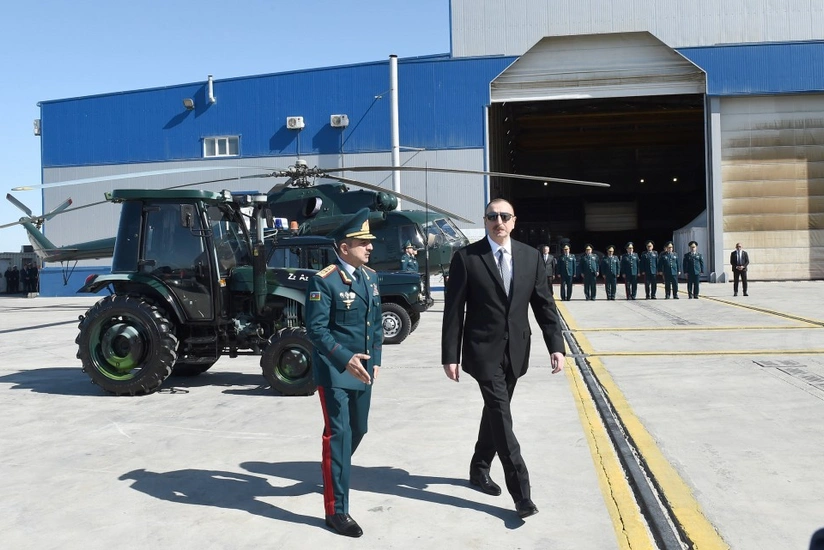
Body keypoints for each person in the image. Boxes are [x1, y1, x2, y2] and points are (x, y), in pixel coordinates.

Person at [441, 198, 565, 520]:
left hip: (517, 351)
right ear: (485, 221)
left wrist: (556, 345)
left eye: (504, 216)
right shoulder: (467, 258)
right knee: (501, 414)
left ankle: (478, 468)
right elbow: (454, 310)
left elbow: (544, 305)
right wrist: (450, 355)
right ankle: (522, 494)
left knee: (496, 413)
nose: (499, 221)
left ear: (513, 221)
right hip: (482, 352)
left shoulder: (530, 256)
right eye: (492, 216)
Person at [304, 208, 383, 538]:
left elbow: (374, 324)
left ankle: (332, 467)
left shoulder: (370, 277)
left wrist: (375, 358)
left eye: (369, 242)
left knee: (359, 430)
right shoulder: (324, 280)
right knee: (338, 435)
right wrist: (345, 358)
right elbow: (317, 330)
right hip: (336, 372)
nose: (370, 247)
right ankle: (337, 511)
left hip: (363, 372)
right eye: (363, 242)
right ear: (344, 246)